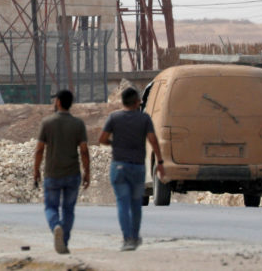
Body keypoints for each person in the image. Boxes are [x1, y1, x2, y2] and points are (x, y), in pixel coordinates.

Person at [99, 87, 164, 251]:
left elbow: (102, 139)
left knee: (122, 203)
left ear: (122, 102)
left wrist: (114, 144)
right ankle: (135, 237)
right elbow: (153, 140)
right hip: (137, 168)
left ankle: (127, 238)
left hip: (119, 166)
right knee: (136, 204)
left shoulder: (114, 117)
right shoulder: (144, 119)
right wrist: (160, 162)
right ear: (137, 102)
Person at [33, 89, 90, 255]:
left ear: (58, 102)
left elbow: (39, 150)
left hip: (52, 174)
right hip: (72, 174)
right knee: (68, 209)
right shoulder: (78, 124)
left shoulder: (47, 123)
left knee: (51, 207)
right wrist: (87, 171)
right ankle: (63, 242)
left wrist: (36, 170)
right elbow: (84, 150)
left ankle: (55, 226)